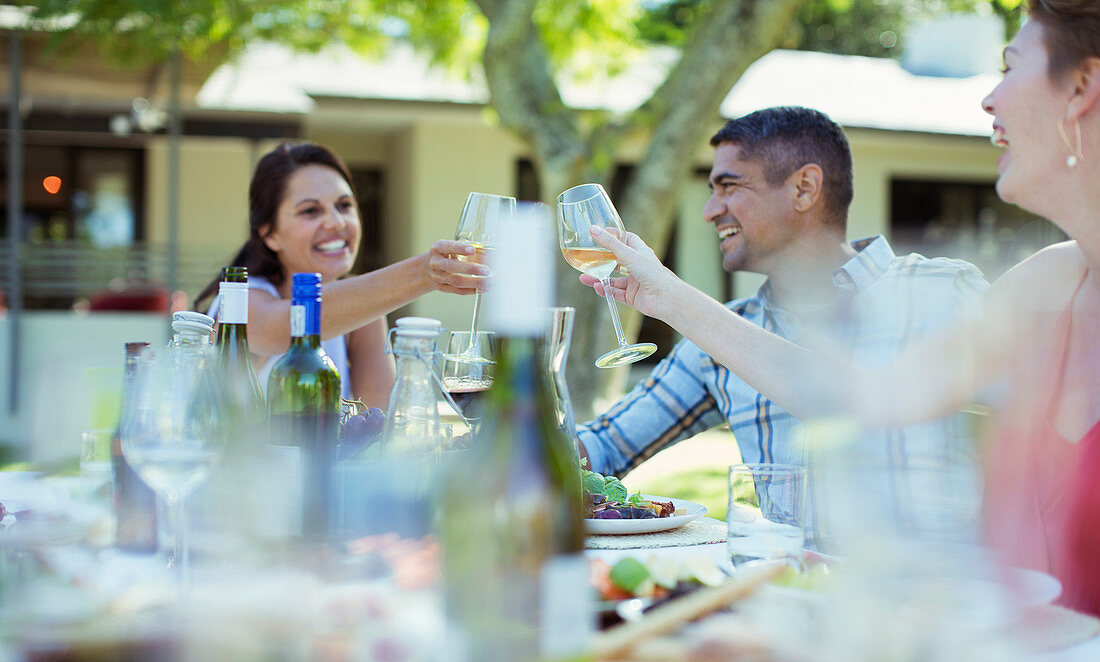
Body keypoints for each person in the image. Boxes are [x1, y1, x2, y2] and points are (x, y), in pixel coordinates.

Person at [581, 0, 1100, 615]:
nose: (988, 100)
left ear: (1082, 88)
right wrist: (659, 295)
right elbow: (861, 399)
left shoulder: (953, 290)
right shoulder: (1043, 284)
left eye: (1010, 67)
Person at [577, 107, 988, 521]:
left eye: (730, 186)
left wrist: (672, 298)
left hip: (937, 584)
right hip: (789, 586)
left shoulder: (943, 291)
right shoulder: (718, 339)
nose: (709, 211)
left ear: (804, 188)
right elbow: (602, 447)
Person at [195, 142, 484, 406]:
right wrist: (423, 274)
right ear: (269, 234)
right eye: (310, 211)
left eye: (344, 206)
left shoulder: (363, 311)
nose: (336, 222)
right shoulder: (240, 300)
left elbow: (376, 424)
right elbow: (289, 324)